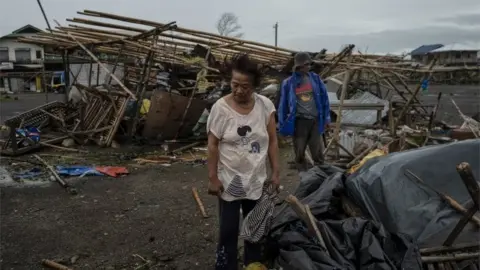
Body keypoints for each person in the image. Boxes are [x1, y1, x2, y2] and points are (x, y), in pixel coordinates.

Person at [206, 54, 280, 270]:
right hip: (230, 180)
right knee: (228, 230)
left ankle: (253, 264)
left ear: (254, 86)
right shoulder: (221, 108)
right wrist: (212, 178)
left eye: (245, 86)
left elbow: (273, 141)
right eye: (234, 84)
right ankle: (226, 265)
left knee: (255, 227)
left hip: (256, 179)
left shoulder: (265, 106)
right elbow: (212, 145)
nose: (239, 90)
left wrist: (275, 172)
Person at [277, 52, 331, 171]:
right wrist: (282, 125)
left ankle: (322, 176)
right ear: (298, 66)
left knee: (317, 151)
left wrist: (327, 118)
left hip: (315, 120)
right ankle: (304, 177)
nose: (308, 67)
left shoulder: (315, 79)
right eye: (306, 64)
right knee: (300, 152)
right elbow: (283, 106)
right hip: (300, 121)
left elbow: (324, 100)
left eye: (309, 64)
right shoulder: (289, 83)